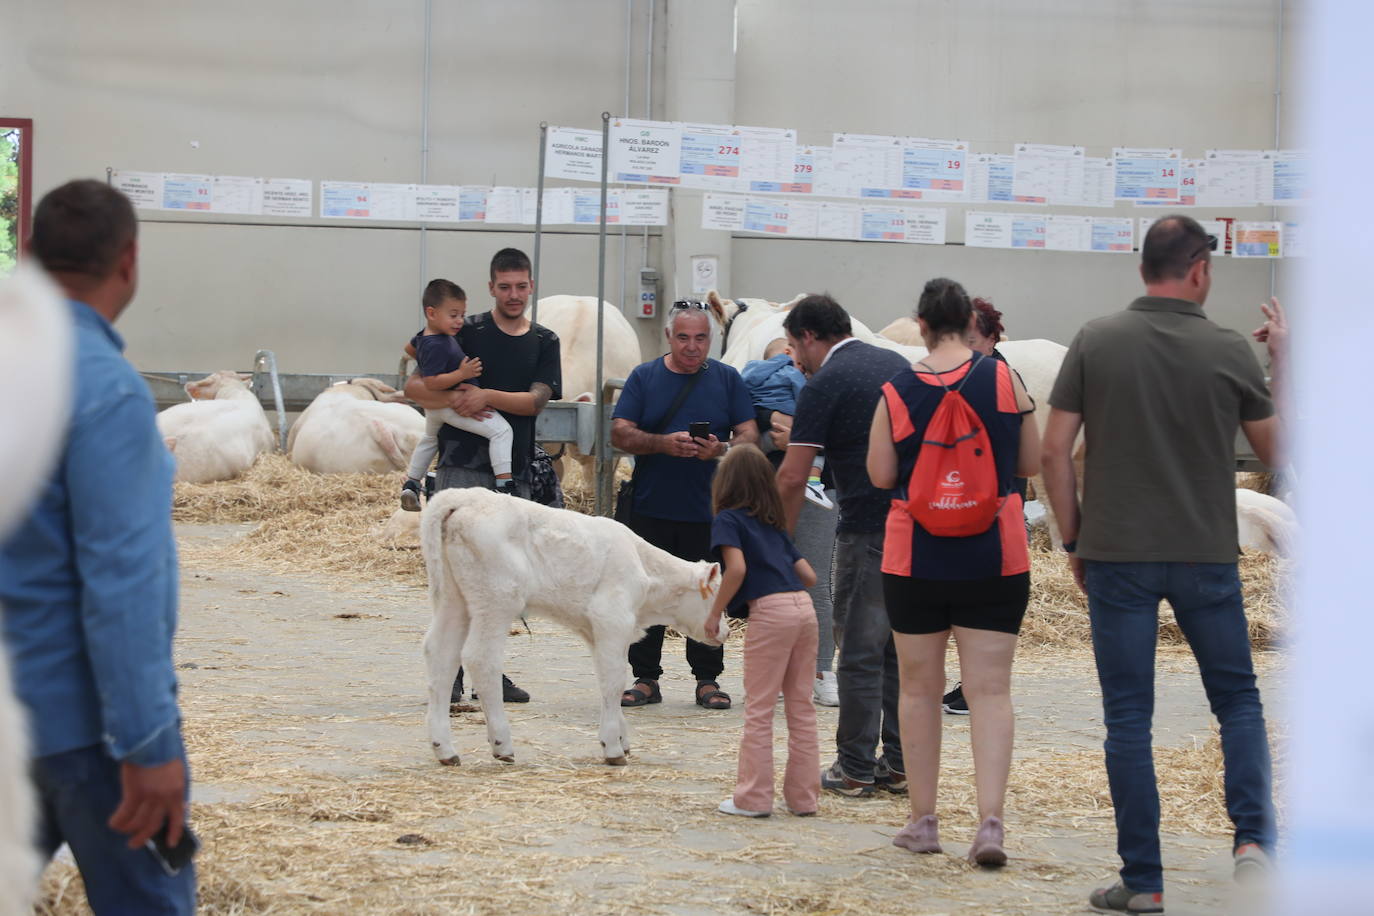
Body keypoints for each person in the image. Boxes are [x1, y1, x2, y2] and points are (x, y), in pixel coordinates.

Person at [1041, 215, 1283, 914]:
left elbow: (1056, 451)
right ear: (1200, 268)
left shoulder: (1096, 339)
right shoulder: (1230, 349)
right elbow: (1275, 454)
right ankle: (1254, 842)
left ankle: (1143, 881)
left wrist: (1073, 538)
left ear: (1144, 266)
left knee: (1128, 719)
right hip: (1205, 554)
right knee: (1236, 699)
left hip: (1117, 556)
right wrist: (1285, 362)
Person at [0, 180, 196, 912]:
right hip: (85, 728)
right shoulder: (107, 391)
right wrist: (147, 742)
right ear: (129, 260)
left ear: (28, 255)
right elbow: (121, 584)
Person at [866, 278, 1040, 866]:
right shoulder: (1005, 377)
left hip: (916, 559)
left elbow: (882, 474)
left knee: (918, 688)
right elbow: (1031, 462)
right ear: (970, 321)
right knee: (990, 692)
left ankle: (924, 820)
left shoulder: (894, 389)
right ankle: (990, 824)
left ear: (919, 324)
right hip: (996, 555)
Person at [405, 248, 561, 704]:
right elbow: (415, 386)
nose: (513, 295)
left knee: (501, 582)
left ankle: (488, 673)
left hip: (512, 471)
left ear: (531, 286)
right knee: (454, 579)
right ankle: (448, 674)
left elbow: (535, 402)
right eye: (504, 286)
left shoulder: (544, 341)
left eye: (521, 286)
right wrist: (453, 400)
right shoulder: (463, 330)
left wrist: (486, 394)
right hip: (458, 467)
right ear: (492, 287)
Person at [776, 293, 910, 797]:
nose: (793, 359)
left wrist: (781, 546)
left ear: (810, 337)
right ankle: (898, 765)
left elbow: (792, 476)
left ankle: (854, 767)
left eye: (793, 347)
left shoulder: (826, 383)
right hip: (912, 528)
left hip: (865, 530)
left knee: (857, 649)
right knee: (899, 650)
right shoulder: (896, 363)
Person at [612, 300, 758, 710]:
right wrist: (662, 443)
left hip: (709, 511)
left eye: (700, 338)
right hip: (650, 506)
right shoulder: (644, 377)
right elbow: (620, 433)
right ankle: (645, 678)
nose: (692, 347)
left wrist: (721, 447)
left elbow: (750, 434)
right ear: (668, 337)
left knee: (710, 592)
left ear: (711, 338)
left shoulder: (727, 379)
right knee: (647, 594)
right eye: (683, 337)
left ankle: (708, 678)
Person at [707, 445, 820, 817]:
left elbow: (735, 570)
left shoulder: (729, 520)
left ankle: (753, 798)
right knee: (801, 707)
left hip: (770, 613)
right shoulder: (773, 523)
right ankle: (804, 799)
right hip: (803, 609)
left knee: (759, 709)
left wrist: (715, 612)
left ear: (725, 482)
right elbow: (810, 576)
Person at [742, 338, 840, 707]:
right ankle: (777, 671)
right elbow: (749, 437)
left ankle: (821, 669)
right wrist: (777, 437)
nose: (791, 356)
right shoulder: (759, 389)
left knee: (815, 582)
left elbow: (839, 440)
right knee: (769, 583)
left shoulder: (828, 386)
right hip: (769, 490)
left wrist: (795, 439)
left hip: (819, 493)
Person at [942, 295, 1023, 718]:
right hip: (955, 506)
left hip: (989, 510)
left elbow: (1025, 458)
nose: (964, 348)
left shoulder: (1001, 379)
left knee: (979, 610)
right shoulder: (957, 376)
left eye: (972, 339)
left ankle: (974, 688)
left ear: (992, 340)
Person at [400, 279, 515, 510]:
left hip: (434, 409)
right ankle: (505, 485)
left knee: (430, 439)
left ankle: (412, 483)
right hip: (452, 405)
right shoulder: (437, 344)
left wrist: (423, 356)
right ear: (431, 313)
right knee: (502, 431)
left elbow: (409, 349)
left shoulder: (425, 337)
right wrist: (462, 373)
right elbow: (431, 382)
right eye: (453, 315)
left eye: (462, 314)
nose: (460, 321)